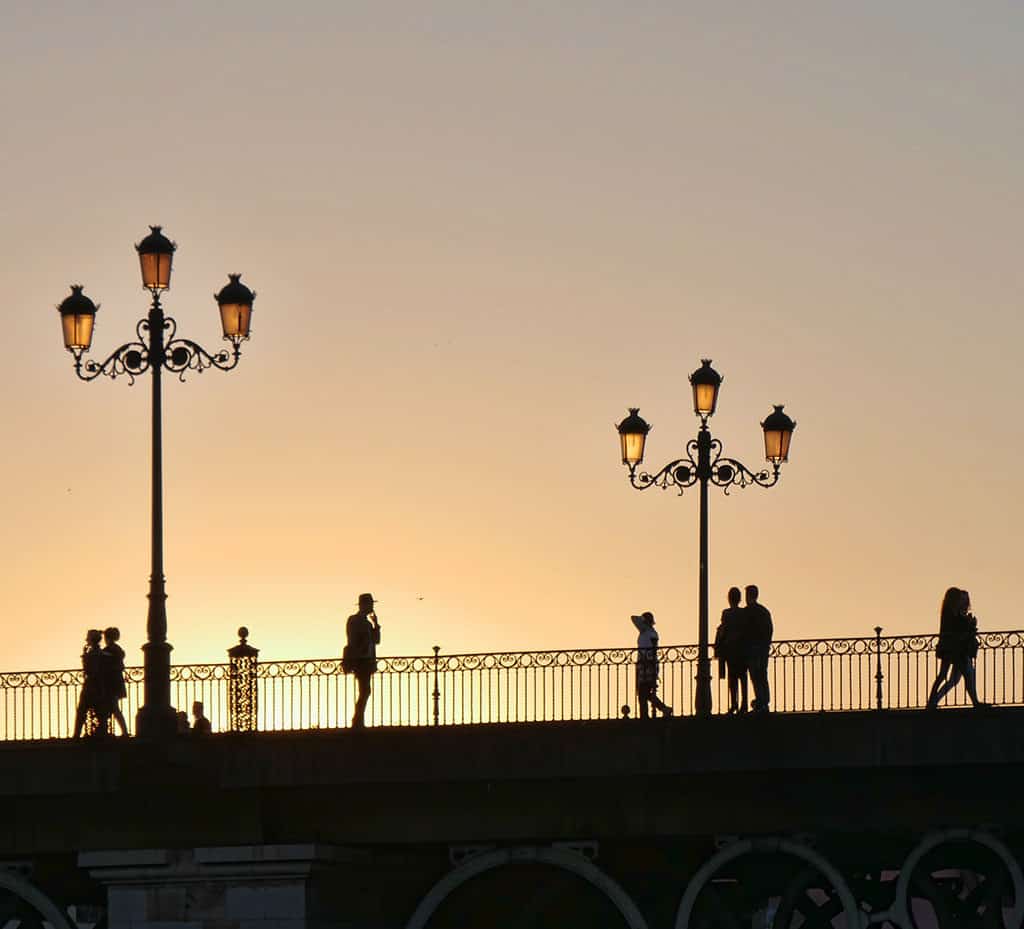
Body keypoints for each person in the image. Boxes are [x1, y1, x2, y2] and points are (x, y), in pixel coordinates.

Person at [926, 587, 986, 709]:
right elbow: (958, 630)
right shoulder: (952, 613)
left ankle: (932, 701)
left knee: (944, 675)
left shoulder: (949, 612)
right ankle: (975, 702)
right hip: (955, 649)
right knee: (966, 675)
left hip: (949, 648)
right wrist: (970, 624)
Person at [346, 593, 382, 729]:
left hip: (367, 661)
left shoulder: (367, 622)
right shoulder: (354, 620)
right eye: (370, 604)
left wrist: (376, 624)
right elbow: (353, 639)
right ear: (364, 605)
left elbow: (377, 641)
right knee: (365, 691)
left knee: (365, 691)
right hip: (360, 660)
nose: (372, 606)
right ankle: (357, 720)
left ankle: (358, 720)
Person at [631, 611, 673, 719]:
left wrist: (643, 621)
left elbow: (634, 619)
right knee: (644, 692)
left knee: (643, 692)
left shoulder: (648, 632)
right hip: (645, 664)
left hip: (648, 664)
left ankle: (648, 715)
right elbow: (633, 618)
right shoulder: (648, 632)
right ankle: (662, 709)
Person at [714, 587, 748, 714]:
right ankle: (743, 704)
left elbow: (724, 629)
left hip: (730, 649)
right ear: (739, 599)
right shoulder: (743, 613)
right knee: (742, 677)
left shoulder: (726, 613)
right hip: (742, 649)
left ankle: (734, 703)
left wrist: (718, 646)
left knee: (732, 678)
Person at [73, 629, 110, 739]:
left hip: (90, 686)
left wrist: (84, 657)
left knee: (82, 711)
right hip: (100, 686)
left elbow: (88, 671)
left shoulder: (91, 655)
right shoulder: (103, 654)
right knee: (100, 712)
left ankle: (76, 735)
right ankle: (103, 733)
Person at [744, 585, 773, 714]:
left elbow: (743, 631)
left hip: (753, 649)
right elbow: (769, 630)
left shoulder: (748, 612)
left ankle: (761, 702)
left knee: (756, 676)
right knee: (762, 676)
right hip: (762, 649)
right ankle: (764, 702)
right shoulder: (763, 611)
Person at [102, 627, 129, 737]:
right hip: (115, 683)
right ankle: (123, 731)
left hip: (111, 683)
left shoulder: (110, 650)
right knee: (113, 708)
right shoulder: (116, 649)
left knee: (113, 708)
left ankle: (123, 731)